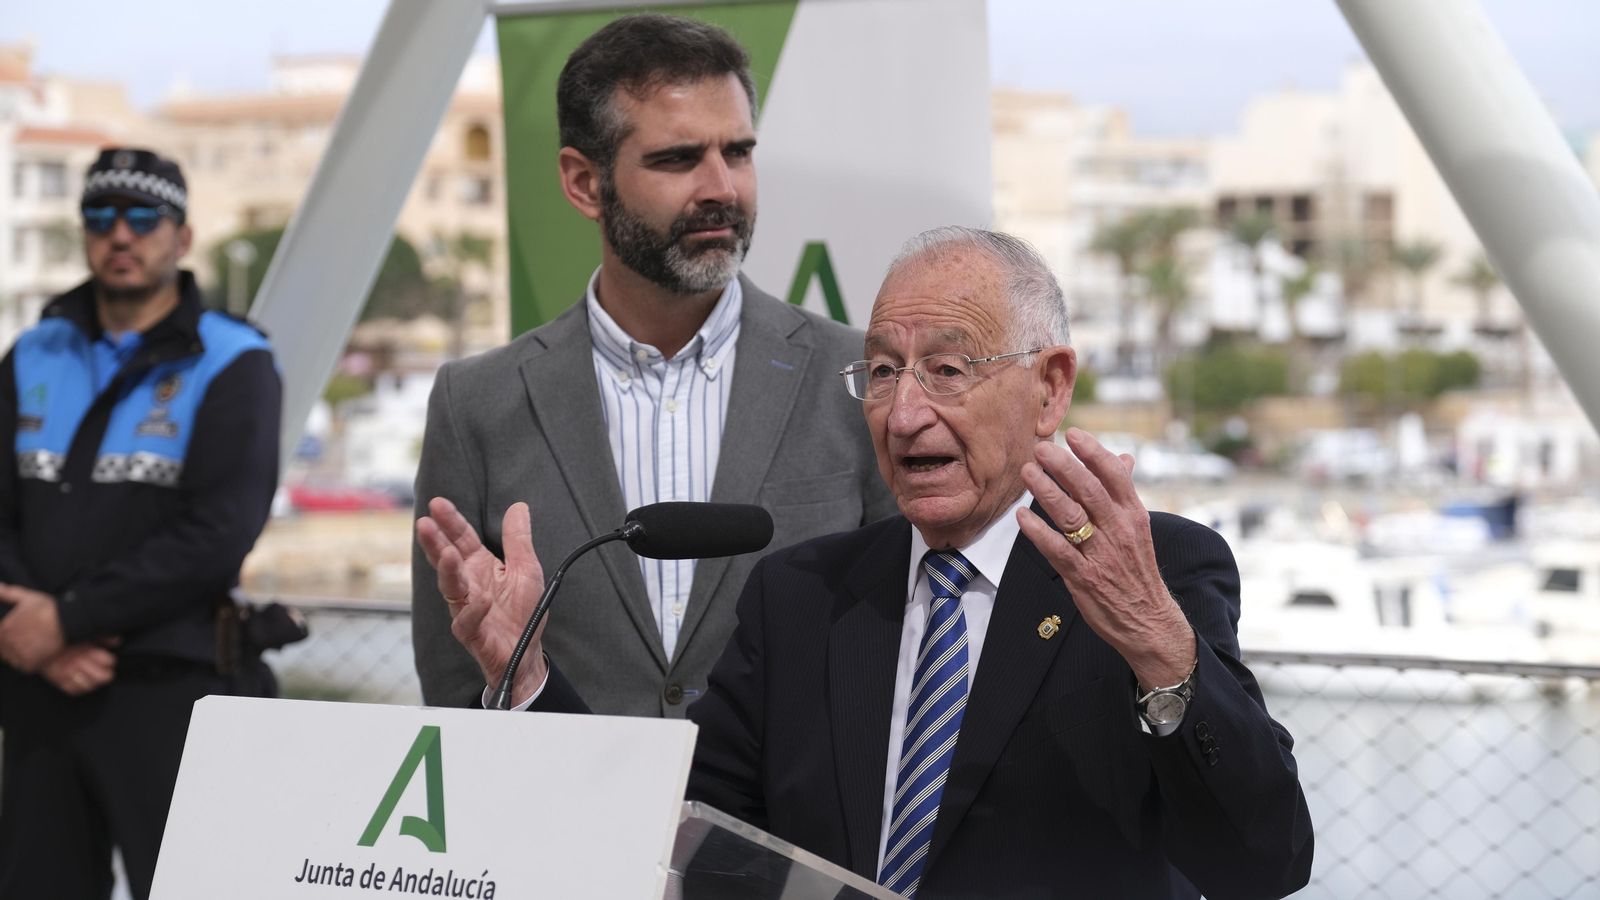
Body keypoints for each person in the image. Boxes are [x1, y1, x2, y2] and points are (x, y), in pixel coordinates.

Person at [421, 227, 1314, 899]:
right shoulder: (803, 596)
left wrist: (1159, 645)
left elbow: (1261, 860)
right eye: (881, 372)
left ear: (1049, 387)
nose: (904, 412)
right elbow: (677, 837)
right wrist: (529, 675)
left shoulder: (1157, 572)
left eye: (948, 370)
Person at [411, 14, 896, 716]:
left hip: (794, 827)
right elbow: (457, 685)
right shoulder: (477, 403)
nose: (721, 187)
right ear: (584, 183)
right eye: (677, 159)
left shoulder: (857, 375)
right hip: (566, 815)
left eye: (738, 152)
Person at [0, 148, 281, 899]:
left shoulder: (233, 358)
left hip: (173, 691)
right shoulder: (34, 349)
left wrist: (65, 618)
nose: (119, 234)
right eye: (100, 217)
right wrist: (34, 635)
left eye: (142, 217)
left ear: (181, 237)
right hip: (39, 690)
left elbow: (220, 531)